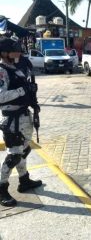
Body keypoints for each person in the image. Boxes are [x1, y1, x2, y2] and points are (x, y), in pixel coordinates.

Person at [0, 36, 42, 207]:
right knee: (14, 155)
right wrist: (22, 90)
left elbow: (25, 88)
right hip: (12, 120)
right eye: (14, 50)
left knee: (24, 150)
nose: (18, 53)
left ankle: (24, 180)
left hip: (23, 116)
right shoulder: (2, 70)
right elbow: (1, 96)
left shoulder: (13, 68)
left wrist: (32, 96)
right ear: (4, 53)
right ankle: (2, 188)